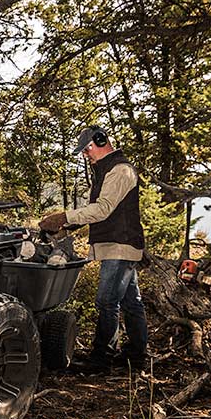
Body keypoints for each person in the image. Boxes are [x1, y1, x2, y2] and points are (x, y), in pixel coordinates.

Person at [38, 128, 148, 372]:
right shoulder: (107, 172)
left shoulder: (121, 170)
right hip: (119, 245)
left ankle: (102, 359)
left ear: (101, 141)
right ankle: (136, 355)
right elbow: (97, 212)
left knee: (107, 301)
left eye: (87, 149)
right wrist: (66, 228)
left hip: (120, 246)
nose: (86, 155)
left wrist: (63, 216)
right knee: (132, 302)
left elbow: (102, 209)